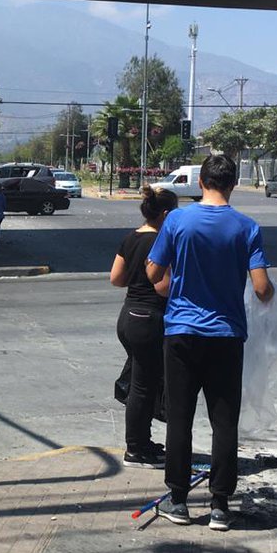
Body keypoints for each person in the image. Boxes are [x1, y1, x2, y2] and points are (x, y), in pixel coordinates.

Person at [145, 155, 273, 532]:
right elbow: (262, 288)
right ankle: (220, 505)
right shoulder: (247, 227)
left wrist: (179, 276)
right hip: (227, 336)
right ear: (233, 184)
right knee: (224, 421)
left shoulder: (177, 221)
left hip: (182, 332)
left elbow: (153, 272)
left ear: (200, 182)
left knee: (180, 418)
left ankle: (178, 500)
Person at [109, 187, 178, 468]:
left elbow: (116, 278)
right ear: (166, 214)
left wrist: (137, 278)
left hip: (128, 317)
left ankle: (142, 442)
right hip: (149, 320)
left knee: (142, 382)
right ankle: (136, 449)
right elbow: (163, 288)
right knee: (143, 387)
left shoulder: (131, 237)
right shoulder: (160, 242)